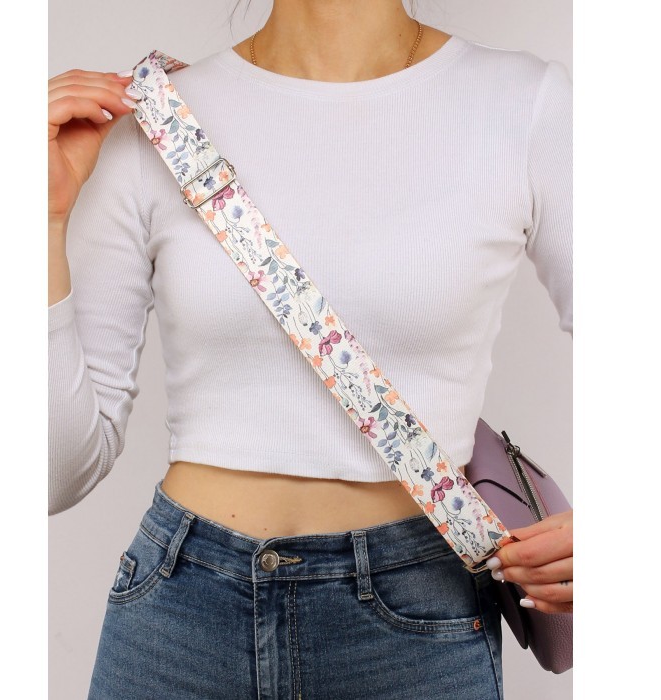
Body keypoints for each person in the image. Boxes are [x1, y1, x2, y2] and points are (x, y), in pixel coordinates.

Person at [48, 1, 572, 697]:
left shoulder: (525, 104)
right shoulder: (154, 118)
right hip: (178, 616)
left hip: (417, 619)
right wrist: (43, 218)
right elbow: (55, 475)